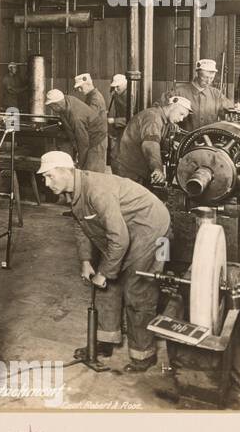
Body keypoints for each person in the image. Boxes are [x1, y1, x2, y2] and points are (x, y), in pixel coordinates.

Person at [37, 150, 170, 372]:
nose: (46, 182)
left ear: (66, 171)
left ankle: (143, 354)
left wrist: (105, 272)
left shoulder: (97, 191)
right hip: (125, 228)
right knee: (106, 283)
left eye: (49, 176)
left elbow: (119, 239)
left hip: (151, 227)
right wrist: (86, 260)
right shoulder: (76, 190)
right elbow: (81, 224)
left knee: (138, 289)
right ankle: (106, 340)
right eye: (44, 177)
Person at [114, 95, 192, 185]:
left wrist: (171, 144)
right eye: (181, 114)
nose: (181, 119)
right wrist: (158, 169)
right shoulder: (153, 118)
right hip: (127, 166)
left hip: (135, 164)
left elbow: (157, 139)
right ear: (173, 106)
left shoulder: (162, 119)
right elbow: (150, 145)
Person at [45, 88, 109, 173]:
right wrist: (74, 144)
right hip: (86, 136)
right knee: (86, 168)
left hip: (97, 139)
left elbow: (83, 143)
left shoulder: (76, 117)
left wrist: (80, 164)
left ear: (57, 105)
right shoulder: (65, 101)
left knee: (93, 172)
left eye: (51, 106)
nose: (51, 109)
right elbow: (67, 126)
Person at [176, 58, 240, 131]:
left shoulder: (216, 94)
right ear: (197, 73)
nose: (208, 81)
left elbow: (231, 108)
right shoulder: (179, 92)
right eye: (205, 77)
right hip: (186, 140)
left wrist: (238, 108)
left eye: (211, 78)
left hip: (210, 140)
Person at [107, 73, 129, 162]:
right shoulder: (116, 95)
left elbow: (133, 119)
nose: (115, 89)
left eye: (118, 87)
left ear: (125, 85)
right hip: (119, 130)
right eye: (114, 87)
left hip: (128, 131)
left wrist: (114, 121)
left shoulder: (131, 96)